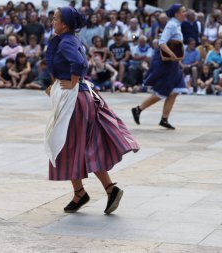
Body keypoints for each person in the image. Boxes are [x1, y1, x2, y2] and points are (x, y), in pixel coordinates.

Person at [45, 7, 139, 214]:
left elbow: (79, 63)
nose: (52, 22)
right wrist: (58, 85)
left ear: (65, 24)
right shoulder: (70, 39)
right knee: (79, 146)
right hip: (78, 96)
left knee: (68, 145)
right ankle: (97, 190)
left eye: (55, 19)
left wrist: (72, 82)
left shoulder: (67, 40)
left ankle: (92, 191)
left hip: (74, 99)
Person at [132, 4, 187, 130]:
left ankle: (164, 119)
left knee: (175, 90)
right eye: (183, 11)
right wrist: (173, 54)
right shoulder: (172, 25)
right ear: (177, 13)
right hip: (166, 62)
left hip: (172, 62)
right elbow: (162, 42)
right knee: (163, 91)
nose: (185, 13)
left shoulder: (177, 24)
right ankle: (138, 109)